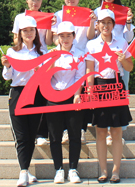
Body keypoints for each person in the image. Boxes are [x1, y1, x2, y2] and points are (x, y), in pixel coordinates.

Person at [85, 9, 134, 183]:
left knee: (116, 130)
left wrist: (123, 60)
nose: (105, 26)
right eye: (102, 22)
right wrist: (89, 91)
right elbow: (89, 70)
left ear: (113, 25)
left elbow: (129, 67)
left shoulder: (121, 42)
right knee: (100, 131)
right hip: (99, 86)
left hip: (116, 85)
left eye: (109, 22)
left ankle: (116, 171)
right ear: (97, 25)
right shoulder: (91, 45)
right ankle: (103, 170)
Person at [2, 15, 45, 187]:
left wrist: (40, 72)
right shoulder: (12, 52)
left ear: (36, 32)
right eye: (25, 31)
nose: (28, 33)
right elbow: (7, 77)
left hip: (36, 94)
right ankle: (23, 172)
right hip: (18, 93)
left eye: (31, 30)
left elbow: (46, 79)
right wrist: (7, 65)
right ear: (20, 33)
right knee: (21, 135)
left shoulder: (42, 53)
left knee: (31, 134)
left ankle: (25, 170)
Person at [93, 0, 135, 146]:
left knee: (121, 90)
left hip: (119, 56)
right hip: (101, 57)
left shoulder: (124, 11)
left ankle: (117, 130)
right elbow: (93, 36)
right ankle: (105, 129)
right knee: (103, 94)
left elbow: (128, 37)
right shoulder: (96, 12)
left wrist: (128, 21)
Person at [52, 0, 95, 145]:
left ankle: (81, 129)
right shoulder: (58, 15)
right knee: (64, 93)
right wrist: (61, 46)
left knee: (81, 92)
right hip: (64, 57)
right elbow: (54, 37)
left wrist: (92, 22)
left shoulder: (87, 13)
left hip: (82, 57)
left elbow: (90, 36)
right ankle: (65, 130)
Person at [46, 21, 86, 184]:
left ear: (74, 36)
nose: (65, 39)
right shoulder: (51, 53)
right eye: (62, 36)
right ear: (58, 38)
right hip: (54, 96)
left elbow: (79, 78)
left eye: (68, 35)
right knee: (55, 136)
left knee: (74, 134)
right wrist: (52, 61)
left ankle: (73, 169)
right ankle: (59, 170)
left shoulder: (79, 54)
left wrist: (77, 96)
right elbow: (45, 77)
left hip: (72, 96)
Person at [12, 0, 50, 147]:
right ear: (27, 0)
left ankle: (41, 133)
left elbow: (48, 41)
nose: (35, 2)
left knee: (42, 96)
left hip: (41, 56)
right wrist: (24, 47)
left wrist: (50, 25)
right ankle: (26, 133)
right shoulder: (20, 17)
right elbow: (16, 38)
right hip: (25, 56)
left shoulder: (46, 17)